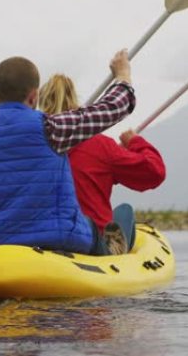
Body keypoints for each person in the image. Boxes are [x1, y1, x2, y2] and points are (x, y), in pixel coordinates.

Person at [0, 50, 136, 255]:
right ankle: (114, 250)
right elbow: (115, 107)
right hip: (54, 241)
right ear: (34, 96)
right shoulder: (52, 128)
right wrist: (123, 75)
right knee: (122, 215)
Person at [39, 74, 166, 252]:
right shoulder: (102, 146)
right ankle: (115, 252)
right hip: (93, 242)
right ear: (75, 100)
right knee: (125, 211)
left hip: (47, 239)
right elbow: (154, 172)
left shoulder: (33, 144)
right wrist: (135, 142)